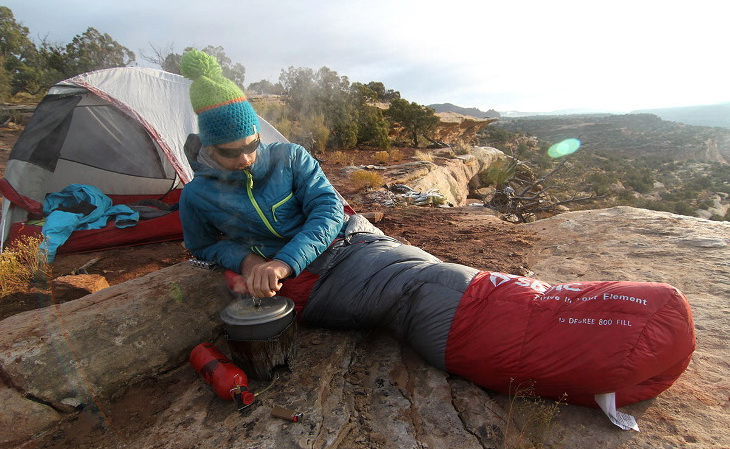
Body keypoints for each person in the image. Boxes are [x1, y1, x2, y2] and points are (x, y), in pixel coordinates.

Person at [178, 49, 346, 299]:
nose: (244, 158)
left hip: (333, 253)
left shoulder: (290, 157)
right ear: (211, 149)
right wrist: (247, 261)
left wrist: (285, 261)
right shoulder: (194, 195)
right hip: (275, 283)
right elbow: (203, 245)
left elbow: (329, 209)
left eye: (251, 145)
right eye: (230, 152)